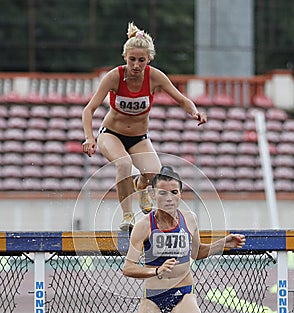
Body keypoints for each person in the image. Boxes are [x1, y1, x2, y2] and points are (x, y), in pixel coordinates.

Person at [123, 166, 246, 313]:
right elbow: (128, 267)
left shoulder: (189, 219)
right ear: (152, 195)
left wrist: (224, 244)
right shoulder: (144, 226)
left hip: (183, 293)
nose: (169, 198)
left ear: (180, 194)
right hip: (153, 297)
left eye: (174, 192)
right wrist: (156, 270)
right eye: (162, 193)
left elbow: (198, 253)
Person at [82, 22, 207, 231]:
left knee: (154, 174)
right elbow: (89, 109)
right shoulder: (114, 77)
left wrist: (195, 112)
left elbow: (181, 99)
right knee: (124, 164)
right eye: (132, 60)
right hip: (111, 134)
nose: (136, 65)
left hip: (139, 138)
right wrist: (89, 138)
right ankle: (127, 216)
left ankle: (141, 187)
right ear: (125, 57)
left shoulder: (155, 77)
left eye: (141, 60)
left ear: (149, 59)